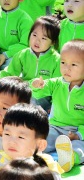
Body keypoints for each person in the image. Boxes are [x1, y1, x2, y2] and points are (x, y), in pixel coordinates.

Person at [31, 39, 84, 172]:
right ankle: (31, 154)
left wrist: (78, 135)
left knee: (80, 147)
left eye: (73, 64)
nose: (66, 68)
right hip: (54, 126)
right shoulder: (57, 83)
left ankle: (71, 157)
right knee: (40, 140)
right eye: (63, 62)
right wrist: (37, 85)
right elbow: (39, 91)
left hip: (78, 130)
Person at [0, 104, 63, 180]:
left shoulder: (47, 165)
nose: (11, 142)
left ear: (40, 145)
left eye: (20, 137)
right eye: (7, 134)